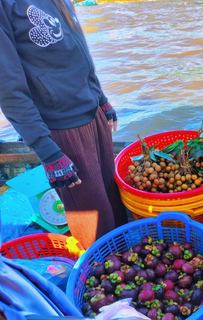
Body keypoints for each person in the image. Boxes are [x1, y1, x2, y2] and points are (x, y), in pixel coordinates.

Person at [0, 0, 129, 248]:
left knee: (114, 200)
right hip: (61, 127)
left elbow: (79, 52)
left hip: (93, 114)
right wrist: (47, 152)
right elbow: (8, 87)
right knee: (93, 220)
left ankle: (127, 256)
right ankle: (100, 273)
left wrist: (100, 98)